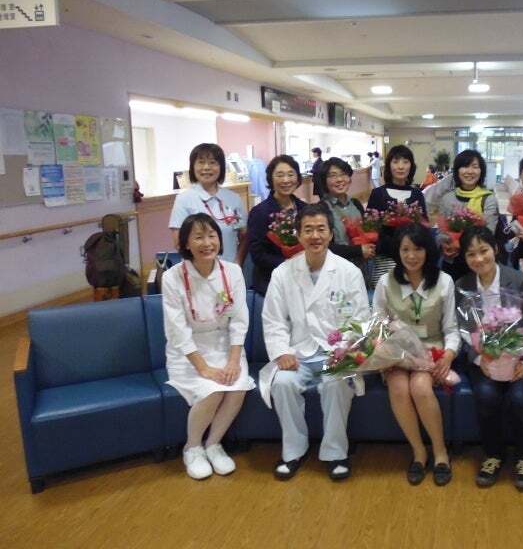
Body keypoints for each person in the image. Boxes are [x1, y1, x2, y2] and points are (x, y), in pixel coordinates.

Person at [262, 203, 370, 481]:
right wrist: (282, 352)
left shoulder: (348, 272)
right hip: (297, 352)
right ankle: (293, 451)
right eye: (308, 230)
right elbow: (273, 319)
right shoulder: (283, 273)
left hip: (336, 351)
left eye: (321, 229)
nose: (315, 236)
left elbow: (360, 319)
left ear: (331, 234)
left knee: (336, 383)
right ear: (298, 235)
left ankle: (336, 453)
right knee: (283, 383)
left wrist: (345, 349)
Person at [162, 213, 255, 480]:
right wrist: (203, 368)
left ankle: (213, 444)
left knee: (237, 387)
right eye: (198, 237)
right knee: (212, 390)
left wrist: (233, 361)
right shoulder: (172, 277)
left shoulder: (232, 272)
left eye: (212, 235)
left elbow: (239, 319)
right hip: (189, 351)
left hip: (226, 344)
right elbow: (177, 329)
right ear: (186, 243)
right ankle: (192, 447)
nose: (207, 243)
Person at [454, 226, 523, 491]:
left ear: (495, 249)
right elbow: (462, 329)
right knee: (486, 395)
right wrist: (478, 359)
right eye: (471, 254)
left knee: (521, 397)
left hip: (521, 358)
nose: (478, 259)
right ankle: (493, 454)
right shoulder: (462, 286)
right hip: (484, 359)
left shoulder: (520, 281)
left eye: (483, 250)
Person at [373, 224, 458, 486]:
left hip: (431, 352)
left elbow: (451, 329)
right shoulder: (386, 282)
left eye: (418, 249)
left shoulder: (444, 281)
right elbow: (377, 325)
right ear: (397, 252)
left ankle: (440, 452)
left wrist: (448, 355)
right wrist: (379, 349)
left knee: (420, 387)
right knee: (399, 387)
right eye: (405, 249)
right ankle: (419, 452)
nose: (411, 256)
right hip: (397, 353)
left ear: (428, 251)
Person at [169, 143, 246, 264]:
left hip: (230, 268)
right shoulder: (183, 199)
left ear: (221, 167)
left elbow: (244, 237)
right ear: (193, 167)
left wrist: (238, 261)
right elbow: (179, 242)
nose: (206, 167)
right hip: (198, 269)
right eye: (201, 162)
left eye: (212, 162)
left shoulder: (234, 198)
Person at [367, 144, 428, 286]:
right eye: (395, 162)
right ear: (389, 166)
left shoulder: (417, 194)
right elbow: (369, 228)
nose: (400, 166)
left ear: (411, 166)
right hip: (385, 259)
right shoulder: (378, 193)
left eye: (405, 162)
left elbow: (423, 227)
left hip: (412, 259)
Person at [246, 155, 306, 295]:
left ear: (297, 178)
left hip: (304, 278)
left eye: (290, 174)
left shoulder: (305, 209)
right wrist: (289, 263)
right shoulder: (260, 212)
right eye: (280, 175)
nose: (286, 180)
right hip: (272, 282)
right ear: (271, 179)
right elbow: (258, 255)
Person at [438, 149, 499, 282]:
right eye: (465, 166)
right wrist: (445, 244)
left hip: (479, 261)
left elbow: (489, 233)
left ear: (481, 171)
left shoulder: (488, 199)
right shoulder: (447, 198)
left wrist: (459, 244)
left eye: (475, 167)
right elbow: (441, 232)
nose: (470, 171)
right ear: (457, 171)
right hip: (452, 261)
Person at [317, 157, 377, 265]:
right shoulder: (321, 208)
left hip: (363, 265)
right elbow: (324, 245)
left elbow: (366, 233)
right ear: (324, 181)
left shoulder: (356, 203)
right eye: (333, 175)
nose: (340, 179)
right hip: (337, 267)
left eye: (343, 174)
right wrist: (358, 251)